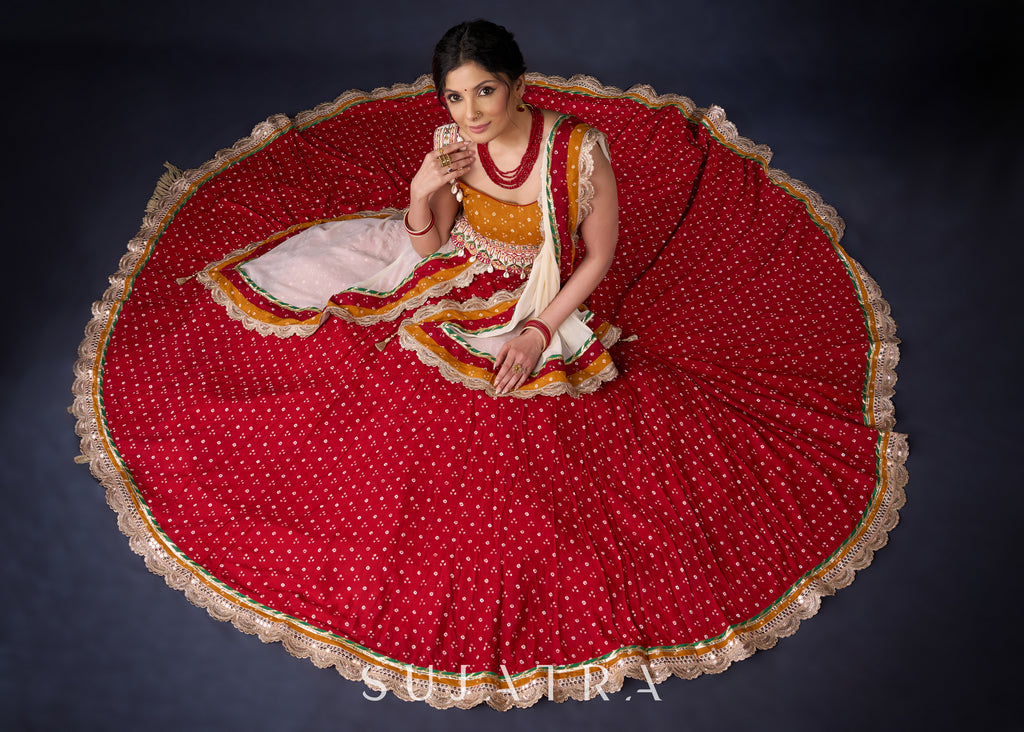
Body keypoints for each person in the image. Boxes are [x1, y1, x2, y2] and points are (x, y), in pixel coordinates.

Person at [74, 20, 907, 709]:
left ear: (517, 86)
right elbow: (430, 237)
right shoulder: (452, 143)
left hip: (541, 295)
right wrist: (422, 180)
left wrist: (540, 330)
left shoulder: (580, 153)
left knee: (519, 437)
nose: (469, 112)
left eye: (484, 92)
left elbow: (598, 261)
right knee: (347, 359)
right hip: (454, 272)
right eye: (454, 96)